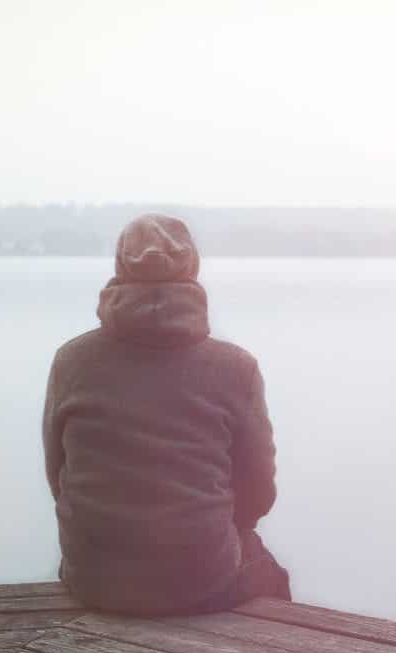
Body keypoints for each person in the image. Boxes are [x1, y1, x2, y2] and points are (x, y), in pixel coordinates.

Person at [42, 213, 290, 615]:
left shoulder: (71, 361)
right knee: (270, 574)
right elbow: (258, 491)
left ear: (120, 268)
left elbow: (58, 474)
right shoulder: (235, 368)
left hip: (93, 580)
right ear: (192, 268)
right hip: (201, 582)